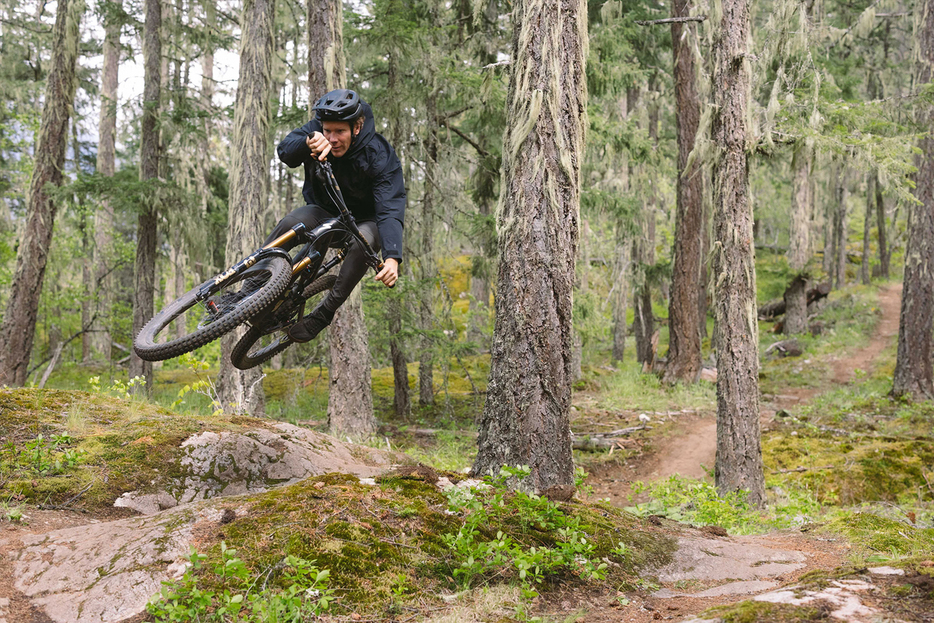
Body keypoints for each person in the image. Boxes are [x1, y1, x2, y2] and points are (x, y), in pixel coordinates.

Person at [270, 88, 406, 343]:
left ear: (357, 127)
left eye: (339, 132)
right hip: (324, 210)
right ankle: (249, 291)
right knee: (290, 224)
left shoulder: (379, 154)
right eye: (327, 131)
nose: (331, 139)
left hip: (366, 221)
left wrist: (392, 258)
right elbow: (285, 152)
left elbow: (390, 207)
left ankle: (323, 313)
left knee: (362, 243)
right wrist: (307, 141)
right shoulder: (316, 130)